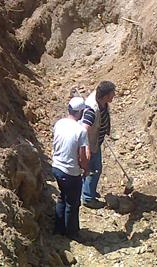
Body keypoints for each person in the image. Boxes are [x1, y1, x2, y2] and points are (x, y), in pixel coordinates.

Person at [52, 96, 90, 239]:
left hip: (56, 167)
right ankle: (72, 233)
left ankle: (58, 229)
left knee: (62, 197)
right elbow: (82, 156)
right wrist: (85, 169)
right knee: (73, 203)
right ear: (80, 113)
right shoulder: (81, 131)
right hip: (70, 171)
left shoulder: (59, 123)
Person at [80, 80, 116, 207]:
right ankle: (88, 198)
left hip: (96, 141)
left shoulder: (101, 99)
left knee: (93, 169)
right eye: (112, 94)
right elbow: (84, 129)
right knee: (94, 170)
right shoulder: (91, 110)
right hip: (91, 144)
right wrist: (86, 148)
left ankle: (87, 191)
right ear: (105, 96)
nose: (114, 96)